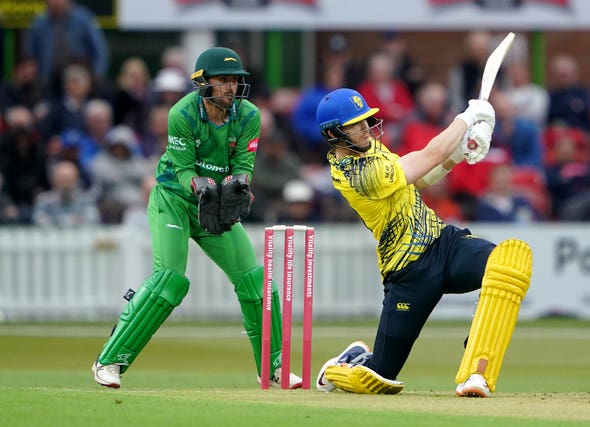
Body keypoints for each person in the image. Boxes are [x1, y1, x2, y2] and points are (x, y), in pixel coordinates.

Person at [91, 46, 301, 389]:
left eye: (235, 80)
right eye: (223, 80)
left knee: (256, 281)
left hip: (215, 205)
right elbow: (185, 168)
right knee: (169, 280)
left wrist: (239, 185)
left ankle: (273, 367)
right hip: (173, 199)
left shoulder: (248, 115)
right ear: (203, 83)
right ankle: (110, 360)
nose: (231, 87)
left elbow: (244, 165)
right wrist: (200, 186)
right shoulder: (182, 114)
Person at [313, 88, 532, 396]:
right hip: (408, 272)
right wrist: (467, 117)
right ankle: (343, 366)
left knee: (510, 261)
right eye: (355, 124)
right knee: (379, 380)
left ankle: (476, 374)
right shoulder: (355, 173)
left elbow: (421, 176)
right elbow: (428, 155)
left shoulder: (370, 148)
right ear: (334, 133)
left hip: (444, 244)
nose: (365, 128)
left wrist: (459, 153)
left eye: (365, 120)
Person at [25, 0, 109, 97]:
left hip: (79, 78)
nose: (56, 2)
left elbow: (100, 51)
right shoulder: (39, 23)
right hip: (47, 81)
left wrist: (96, 76)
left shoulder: (84, 19)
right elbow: (30, 55)